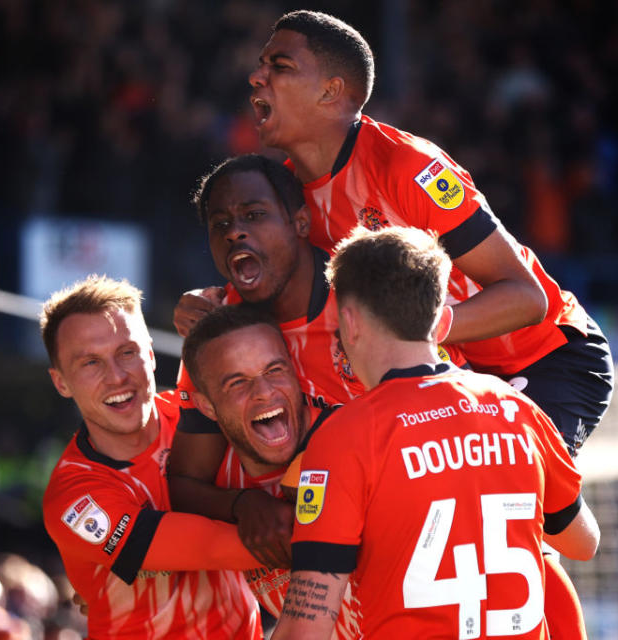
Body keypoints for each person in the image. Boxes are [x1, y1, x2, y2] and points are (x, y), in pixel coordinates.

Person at [245, 9, 613, 459]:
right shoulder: (288, 196)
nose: (256, 77)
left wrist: (422, 328)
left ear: (331, 91)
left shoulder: (407, 166)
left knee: (506, 500)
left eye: (279, 66)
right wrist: (215, 300)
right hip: (454, 374)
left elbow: (527, 297)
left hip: (548, 358)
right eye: (262, 64)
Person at [271, 226, 600, 640]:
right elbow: (583, 543)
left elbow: (306, 629)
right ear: (442, 320)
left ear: (349, 322)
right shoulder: (518, 410)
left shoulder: (343, 438)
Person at [168, 154, 463, 560]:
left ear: (301, 223)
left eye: (254, 215)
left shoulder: (371, 304)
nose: (235, 232)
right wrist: (243, 505)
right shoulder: (218, 333)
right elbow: (185, 481)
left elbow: (451, 433)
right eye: (220, 224)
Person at [39, 274, 262, 639]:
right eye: (90, 363)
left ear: (152, 354)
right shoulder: (73, 498)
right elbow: (211, 547)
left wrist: (216, 304)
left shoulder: (201, 412)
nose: (117, 377)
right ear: (61, 382)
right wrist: (330, 530)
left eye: (127, 352)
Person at [180, 303, 360, 638]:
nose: (264, 393)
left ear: (295, 372)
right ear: (206, 407)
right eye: (237, 383)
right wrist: (239, 504)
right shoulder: (214, 482)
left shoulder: (355, 442)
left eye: (275, 371)